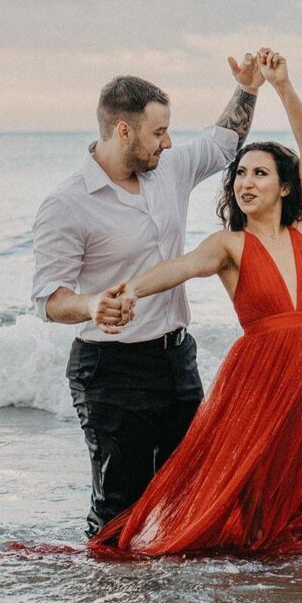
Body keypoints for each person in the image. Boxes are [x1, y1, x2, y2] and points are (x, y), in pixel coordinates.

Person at [89, 49, 302, 556]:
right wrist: (129, 290)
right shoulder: (229, 245)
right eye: (241, 174)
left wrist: (282, 86)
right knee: (250, 486)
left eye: (259, 173)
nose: (246, 182)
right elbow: (179, 267)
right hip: (259, 376)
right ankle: (258, 578)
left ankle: (291, 572)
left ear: (285, 185)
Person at [32, 57, 263, 537]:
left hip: (176, 360)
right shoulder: (67, 202)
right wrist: (92, 304)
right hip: (110, 371)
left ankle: (170, 601)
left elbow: (224, 142)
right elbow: (48, 300)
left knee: (188, 491)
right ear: (123, 131)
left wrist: (247, 88)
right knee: (120, 506)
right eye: (159, 132)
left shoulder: (170, 169)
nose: (169, 142)